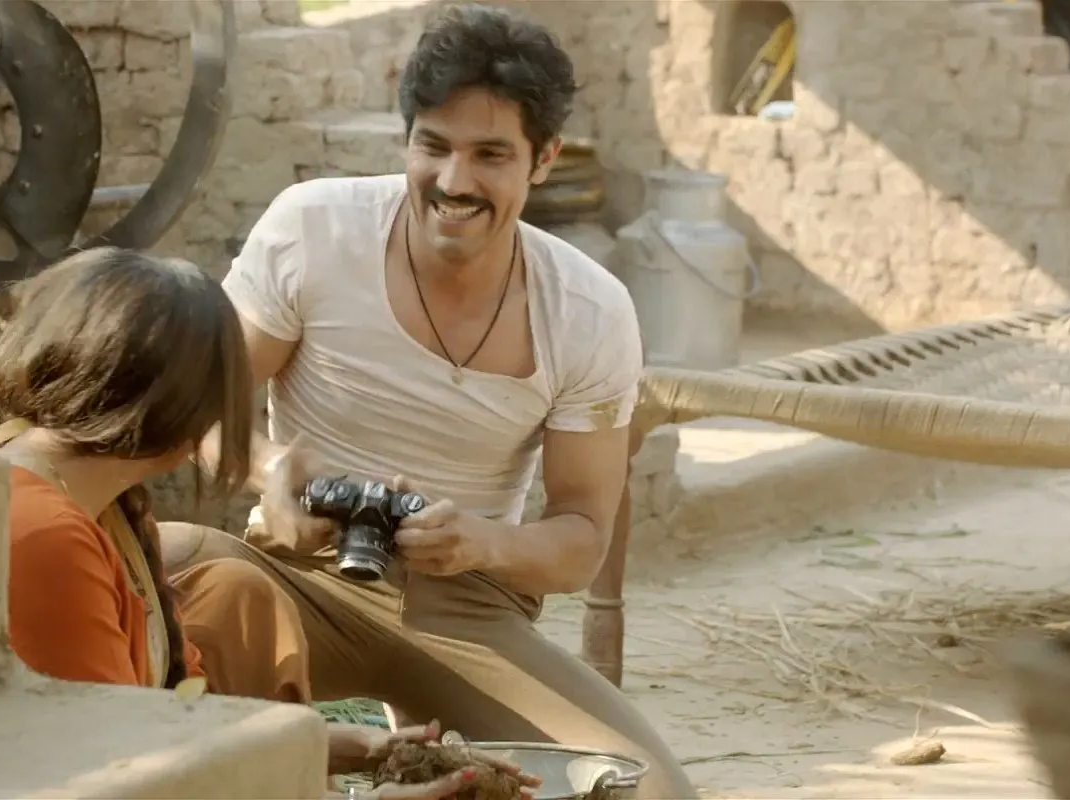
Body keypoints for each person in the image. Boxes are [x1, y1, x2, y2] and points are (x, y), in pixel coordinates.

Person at [161, 3, 698, 798]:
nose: (454, 182)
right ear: (405, 140)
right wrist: (274, 476)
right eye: (434, 146)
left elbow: (582, 538)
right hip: (298, 572)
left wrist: (482, 543)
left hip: (465, 604)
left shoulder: (589, 309)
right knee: (162, 571)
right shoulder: (314, 229)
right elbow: (204, 409)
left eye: (491, 155)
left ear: (544, 159)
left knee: (645, 790)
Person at [0, 247, 538, 800]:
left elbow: (180, 712)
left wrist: (333, 746)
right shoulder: (48, 538)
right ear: (179, 413)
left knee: (234, 592)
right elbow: (120, 773)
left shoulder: (88, 493)